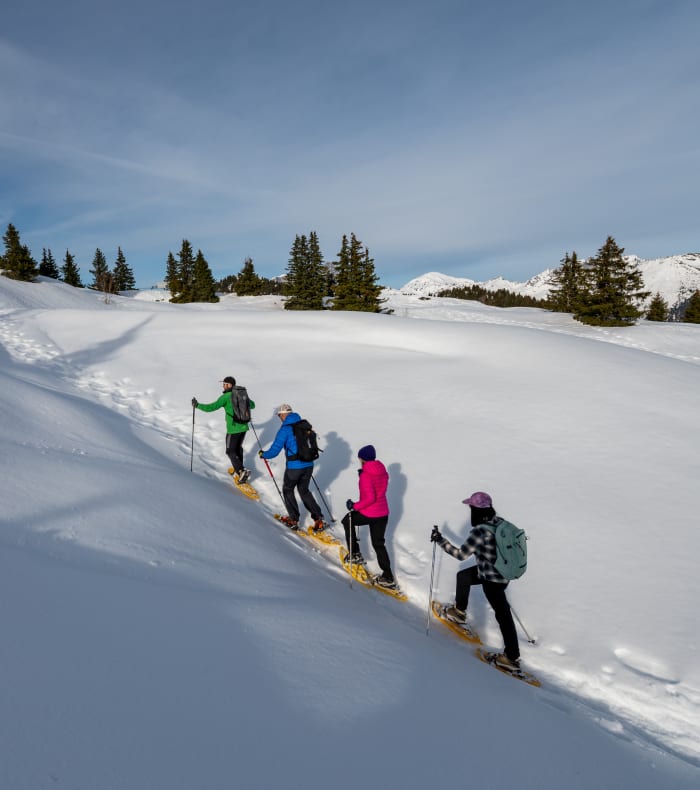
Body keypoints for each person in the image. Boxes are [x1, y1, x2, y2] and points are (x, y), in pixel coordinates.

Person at [431, 491, 520, 671]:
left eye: (470, 507)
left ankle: (511, 658)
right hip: (502, 574)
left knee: (503, 616)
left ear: (475, 510)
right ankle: (458, 612)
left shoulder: (480, 531)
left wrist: (440, 540)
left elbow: (461, 554)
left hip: (491, 579)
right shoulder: (500, 523)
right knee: (463, 576)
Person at [258, 404, 325, 532]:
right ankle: (318, 519)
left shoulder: (285, 429)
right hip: (308, 464)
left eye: (279, 415)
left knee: (288, 489)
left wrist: (263, 454)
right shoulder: (304, 425)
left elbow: (274, 450)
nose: (279, 418)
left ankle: (293, 519)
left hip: (294, 467)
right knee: (304, 490)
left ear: (284, 414)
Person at [342, 445, 396, 590]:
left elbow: (370, 498)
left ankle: (354, 554)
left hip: (370, 512)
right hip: (383, 513)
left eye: (360, 457)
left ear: (362, 458)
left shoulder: (366, 475)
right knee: (379, 544)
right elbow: (378, 490)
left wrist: (354, 506)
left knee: (347, 520)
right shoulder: (382, 471)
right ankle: (388, 577)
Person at [192, 376, 255, 484]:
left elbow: (211, 407)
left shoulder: (225, 397)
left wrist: (197, 405)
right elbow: (252, 405)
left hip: (233, 428)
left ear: (230, 385)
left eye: (225, 384)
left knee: (230, 451)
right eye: (223, 384)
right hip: (244, 427)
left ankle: (241, 471)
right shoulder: (241, 394)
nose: (223, 386)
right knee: (238, 448)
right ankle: (239, 470)